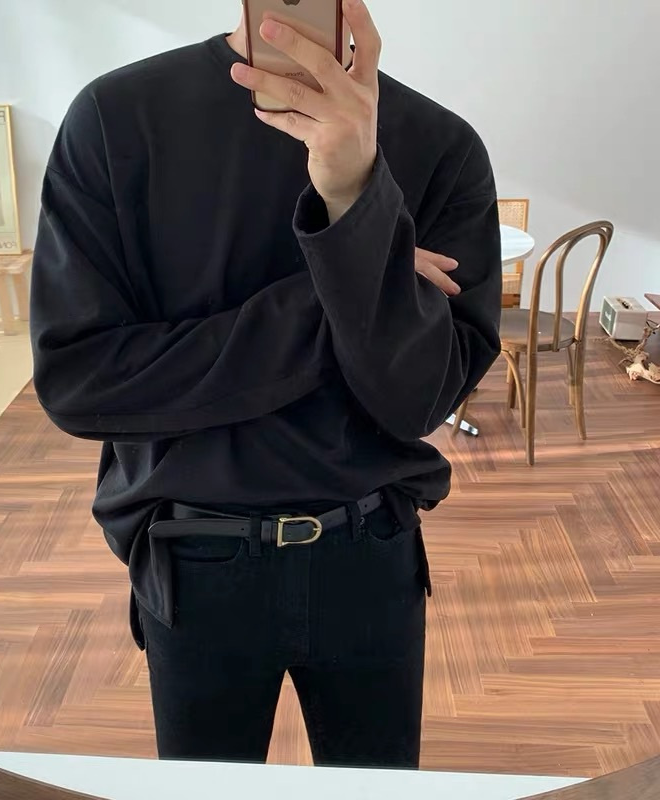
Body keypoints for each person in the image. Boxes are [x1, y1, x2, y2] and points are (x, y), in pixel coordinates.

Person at [30, 0, 501, 770]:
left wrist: (356, 194)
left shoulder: (441, 145)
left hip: (369, 554)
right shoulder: (117, 119)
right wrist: (345, 280)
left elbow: (419, 400)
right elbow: (81, 382)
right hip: (194, 560)